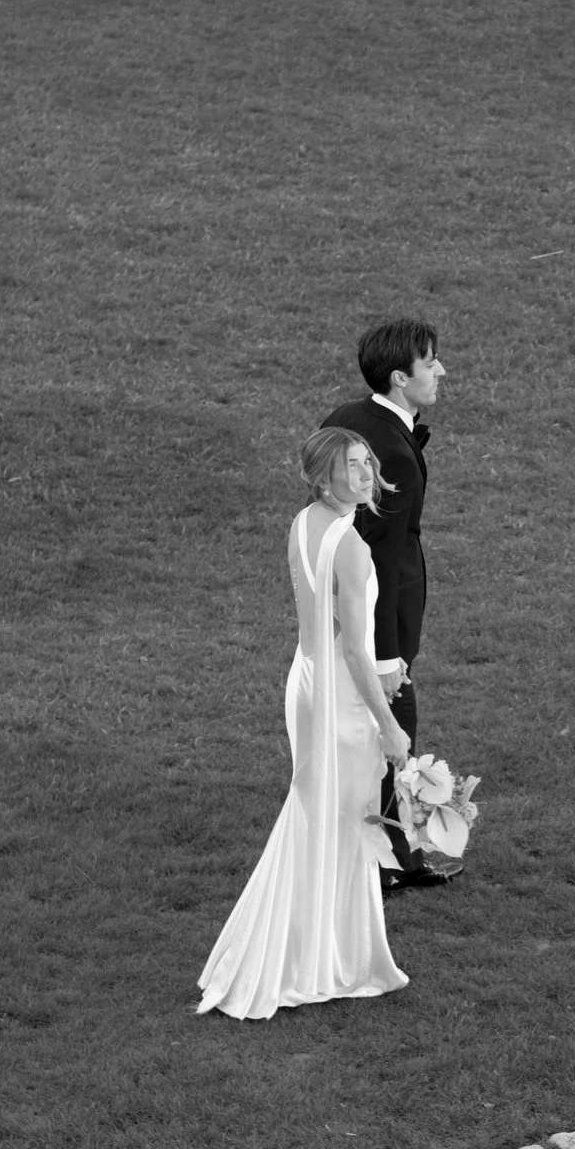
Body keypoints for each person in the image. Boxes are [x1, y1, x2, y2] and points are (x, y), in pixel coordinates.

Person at [196, 427, 411, 1022]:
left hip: (306, 684)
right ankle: (319, 961)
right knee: (343, 822)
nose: (366, 474)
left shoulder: (302, 522)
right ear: (324, 477)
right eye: (352, 465)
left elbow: (328, 634)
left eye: (368, 462)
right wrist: (388, 724)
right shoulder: (354, 548)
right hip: (340, 696)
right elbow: (353, 652)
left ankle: (317, 951)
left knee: (322, 816)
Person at [322, 316, 458, 886]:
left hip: (335, 612)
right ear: (401, 378)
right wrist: (386, 652)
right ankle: (386, 864)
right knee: (394, 737)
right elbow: (376, 560)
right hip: (379, 625)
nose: (441, 371)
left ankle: (386, 858)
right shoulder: (393, 457)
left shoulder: (347, 419)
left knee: (371, 741)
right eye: (431, 363)